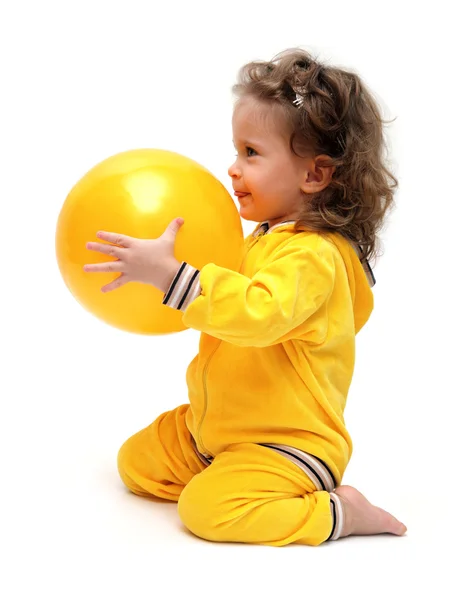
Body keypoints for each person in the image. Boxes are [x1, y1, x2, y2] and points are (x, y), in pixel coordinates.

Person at [84, 48, 407, 546]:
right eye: (236, 151)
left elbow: (257, 313)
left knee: (204, 512)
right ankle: (226, 465)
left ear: (314, 175)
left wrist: (174, 278)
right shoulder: (261, 239)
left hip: (285, 441)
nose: (234, 169)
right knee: (136, 464)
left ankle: (338, 512)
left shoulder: (313, 257)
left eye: (251, 153)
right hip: (220, 428)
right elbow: (229, 301)